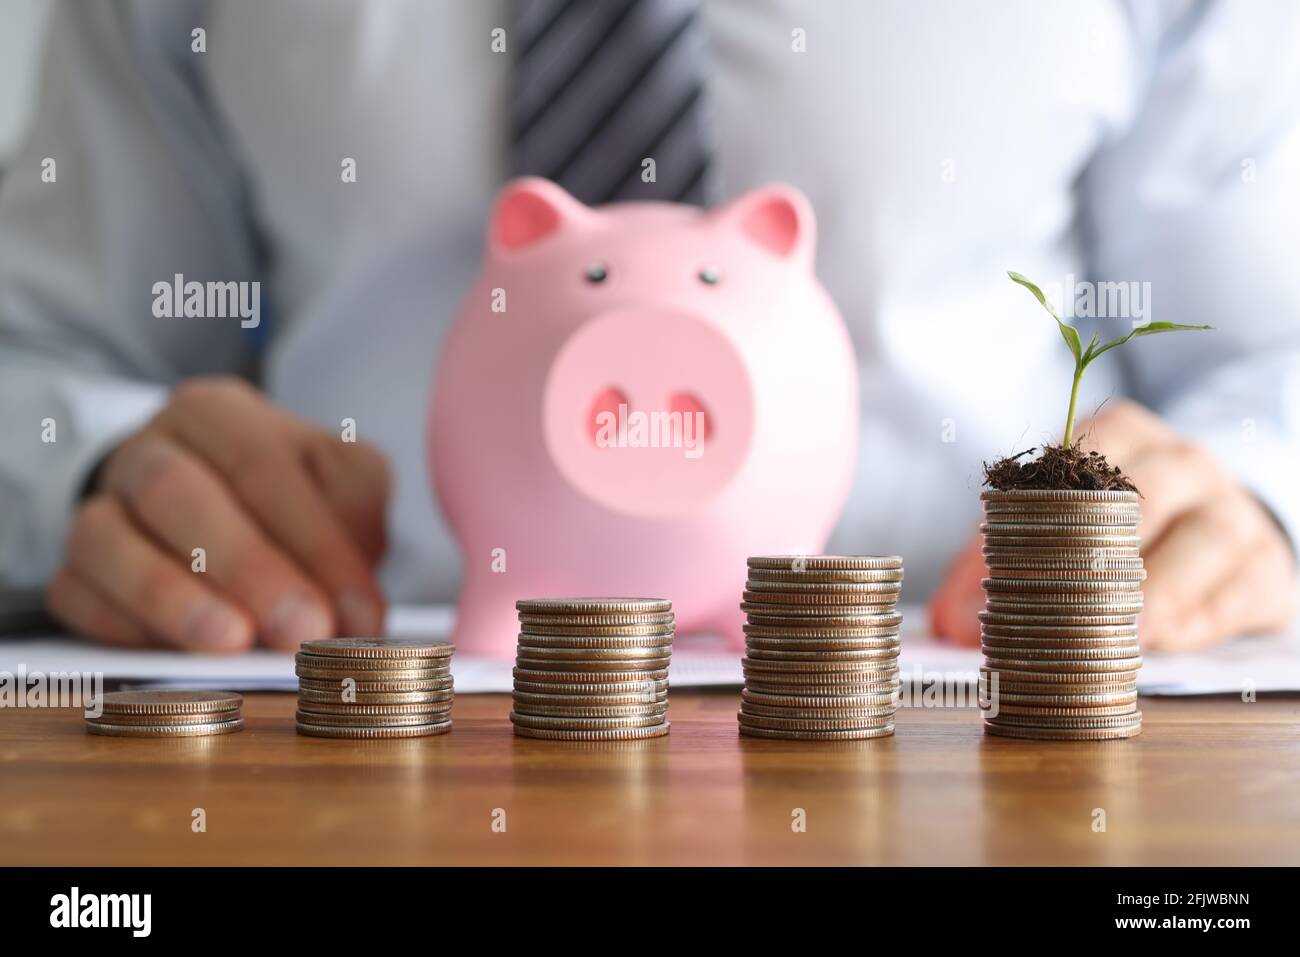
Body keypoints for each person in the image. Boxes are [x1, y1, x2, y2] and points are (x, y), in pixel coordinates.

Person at [0, 0, 1296, 653]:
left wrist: (1251, 494)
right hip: (371, 706)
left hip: (963, 707)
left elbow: (1274, 347)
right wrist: (102, 467)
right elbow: (38, 347)